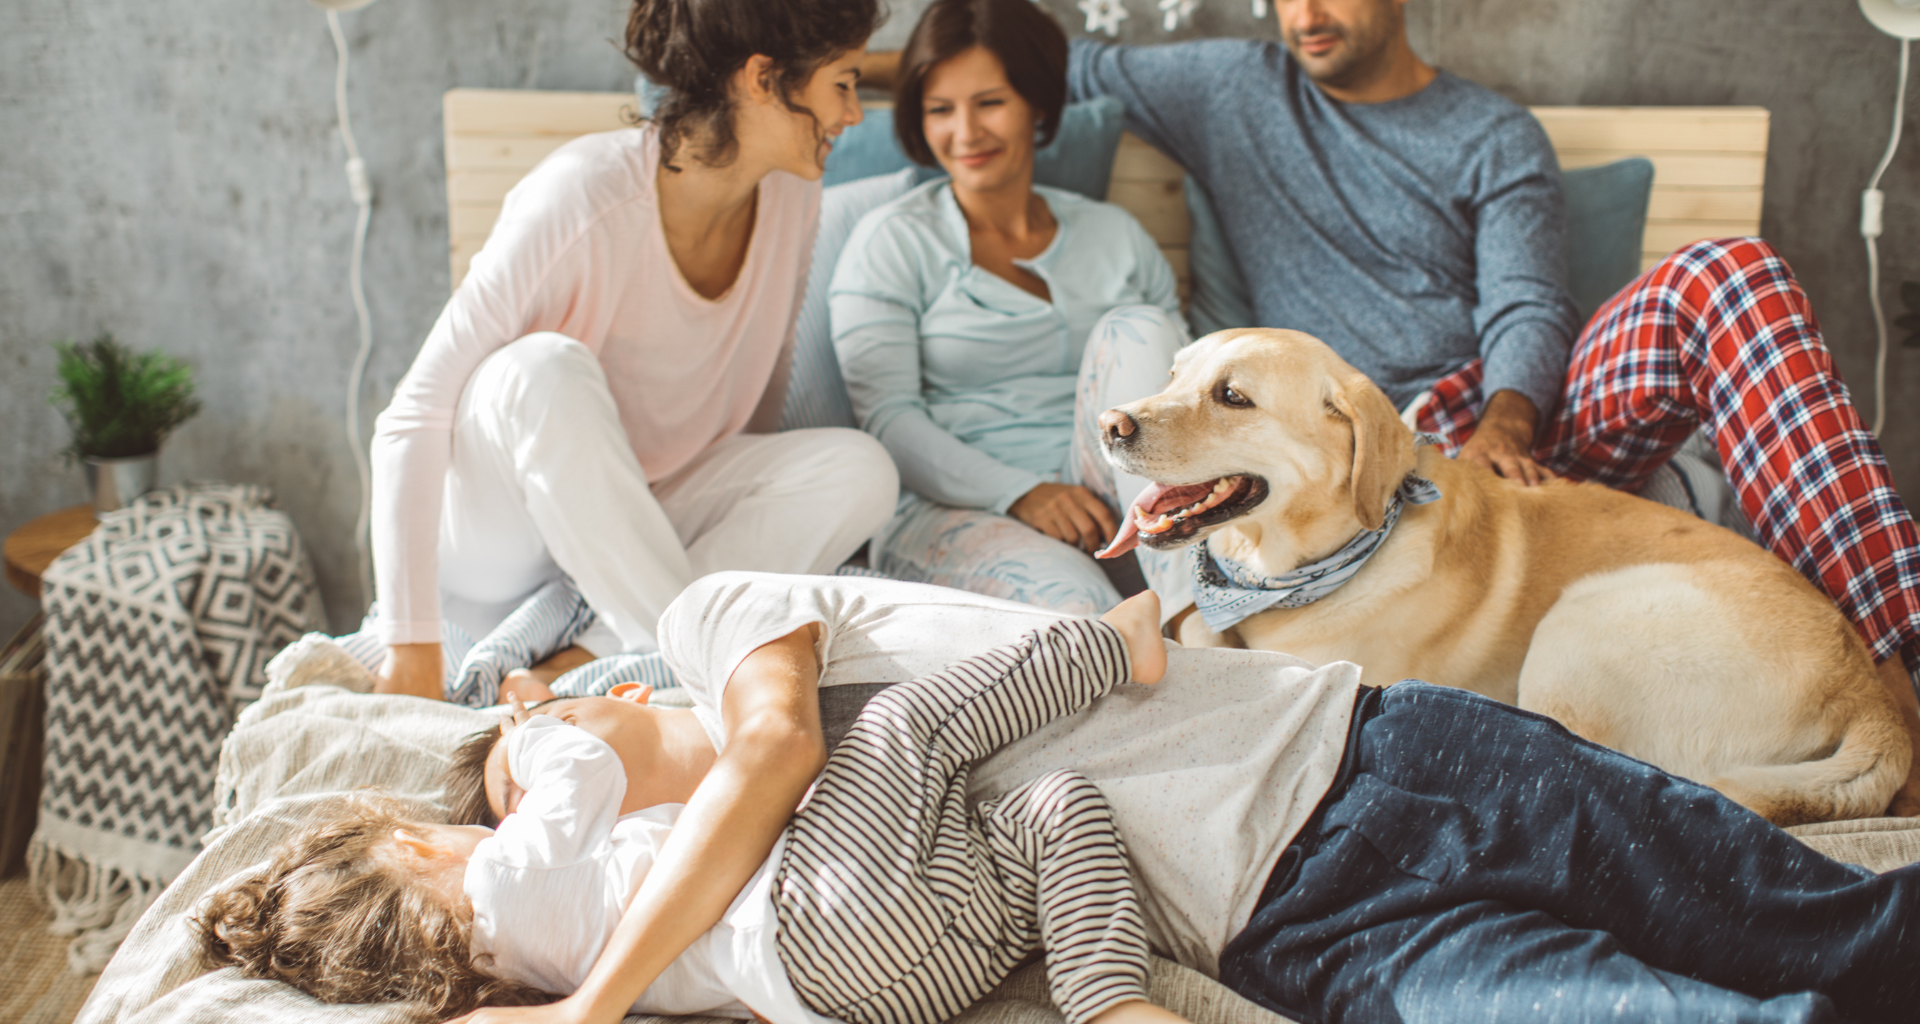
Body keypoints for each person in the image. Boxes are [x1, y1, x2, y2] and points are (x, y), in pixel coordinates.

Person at [863, 0, 1920, 811]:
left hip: (1505, 416)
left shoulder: (1489, 132)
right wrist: (834, 77)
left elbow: (1527, 306)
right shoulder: (1229, 88)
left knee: (1730, 275)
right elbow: (1029, 75)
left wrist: (1512, 414)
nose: (1304, 14)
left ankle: (1899, 649)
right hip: (1327, 424)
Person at [446, 571, 1919, 1024]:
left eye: (543, 751)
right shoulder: (752, 909)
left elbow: (773, 746)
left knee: (1834, 932)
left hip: (1384, 756)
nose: (551, 785)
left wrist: (585, 1012)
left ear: (607, 690)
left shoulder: (718, 624)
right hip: (1296, 936)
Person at [198, 597, 1187, 1024]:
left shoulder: (524, 978)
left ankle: (1105, 997)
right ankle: (1111, 648)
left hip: (876, 994)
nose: (514, 818)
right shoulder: (501, 882)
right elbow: (581, 770)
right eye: (510, 805)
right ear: (414, 841)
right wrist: (531, 726)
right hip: (816, 924)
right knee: (903, 724)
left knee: (1051, 808)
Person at [366, 0, 900, 702]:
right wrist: (410, 649)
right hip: (502, 535)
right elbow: (412, 416)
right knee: (540, 368)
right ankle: (692, 669)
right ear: (761, 79)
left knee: (858, 467)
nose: (852, 112)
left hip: (643, 516)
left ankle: (573, 667)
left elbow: (758, 404)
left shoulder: (791, 199)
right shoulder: (582, 195)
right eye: (844, 84)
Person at [829, 0, 1192, 621]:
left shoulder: (1116, 235)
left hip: (1115, 487)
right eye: (939, 108)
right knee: (1082, 620)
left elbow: (1180, 394)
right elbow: (888, 419)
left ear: (1037, 104)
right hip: (954, 507)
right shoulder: (890, 240)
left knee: (1140, 327)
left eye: (990, 102)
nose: (965, 131)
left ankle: (1192, 608)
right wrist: (1021, 493)